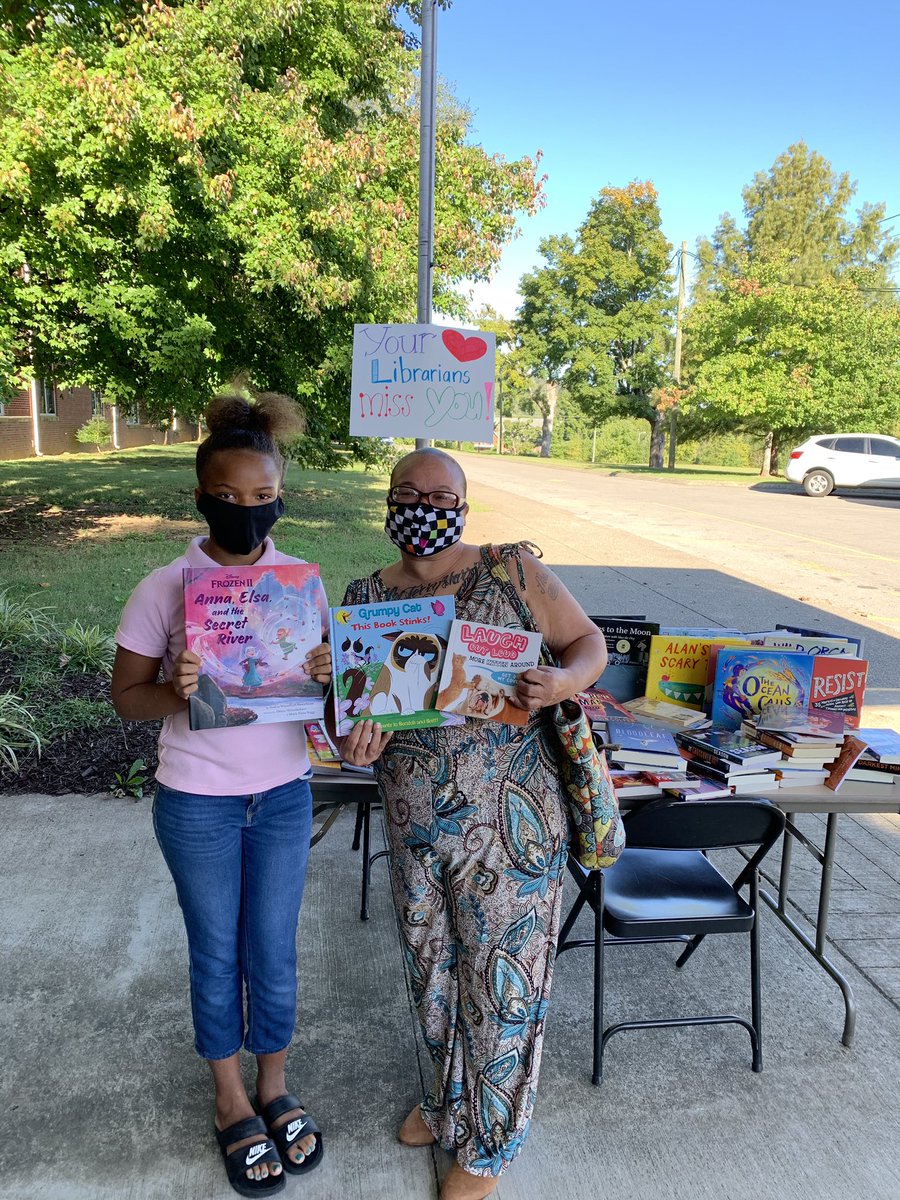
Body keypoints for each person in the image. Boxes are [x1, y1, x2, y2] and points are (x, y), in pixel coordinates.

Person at [339, 448, 607, 1200]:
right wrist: (353, 736)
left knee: (502, 983)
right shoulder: (366, 596)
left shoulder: (511, 571)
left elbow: (589, 644)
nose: (422, 506)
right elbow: (358, 711)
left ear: (464, 501)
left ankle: (490, 1144)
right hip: (413, 826)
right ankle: (446, 1101)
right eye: (406, 493)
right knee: (431, 976)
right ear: (388, 503)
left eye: (440, 494)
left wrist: (563, 679)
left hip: (511, 831)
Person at [111, 393, 330, 1198]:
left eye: (262, 497)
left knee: (272, 950)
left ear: (281, 494)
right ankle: (228, 1099)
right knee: (216, 955)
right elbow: (126, 696)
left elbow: (329, 703)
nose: (247, 511)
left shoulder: (300, 587)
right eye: (230, 497)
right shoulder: (165, 586)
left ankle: (274, 1085)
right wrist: (175, 690)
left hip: (282, 795)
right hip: (197, 800)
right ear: (201, 495)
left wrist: (326, 677)